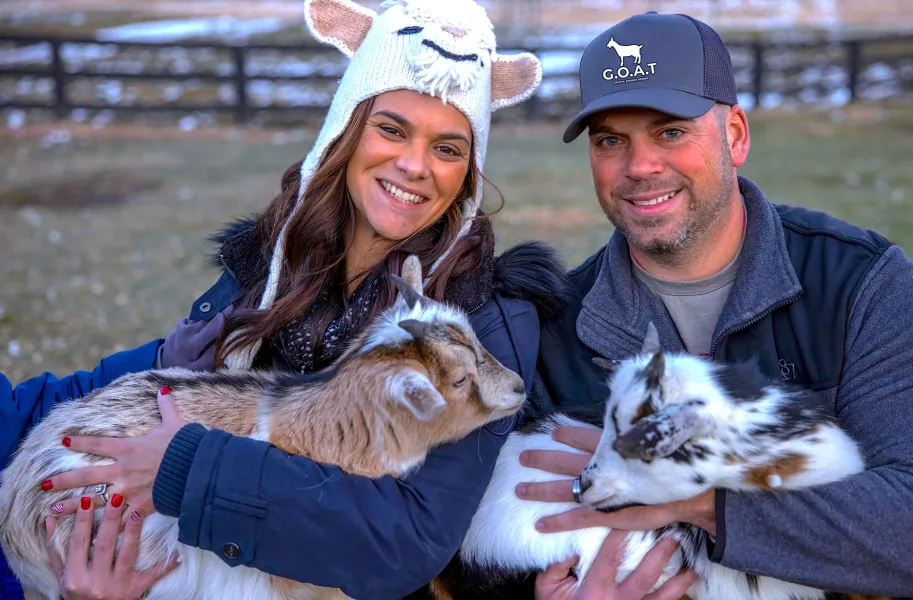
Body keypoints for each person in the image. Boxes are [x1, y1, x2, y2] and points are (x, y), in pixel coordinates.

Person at [0, 0, 567, 598]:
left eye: (448, 148)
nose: (413, 164)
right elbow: (138, 385)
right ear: (347, 129)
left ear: (469, 173)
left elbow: (408, 539)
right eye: (391, 128)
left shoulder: (480, 320)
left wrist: (189, 467)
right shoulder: (268, 273)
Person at [516, 11, 913, 600]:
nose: (640, 167)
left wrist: (698, 503)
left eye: (670, 131)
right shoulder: (554, 325)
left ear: (736, 135)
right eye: (610, 141)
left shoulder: (856, 284)